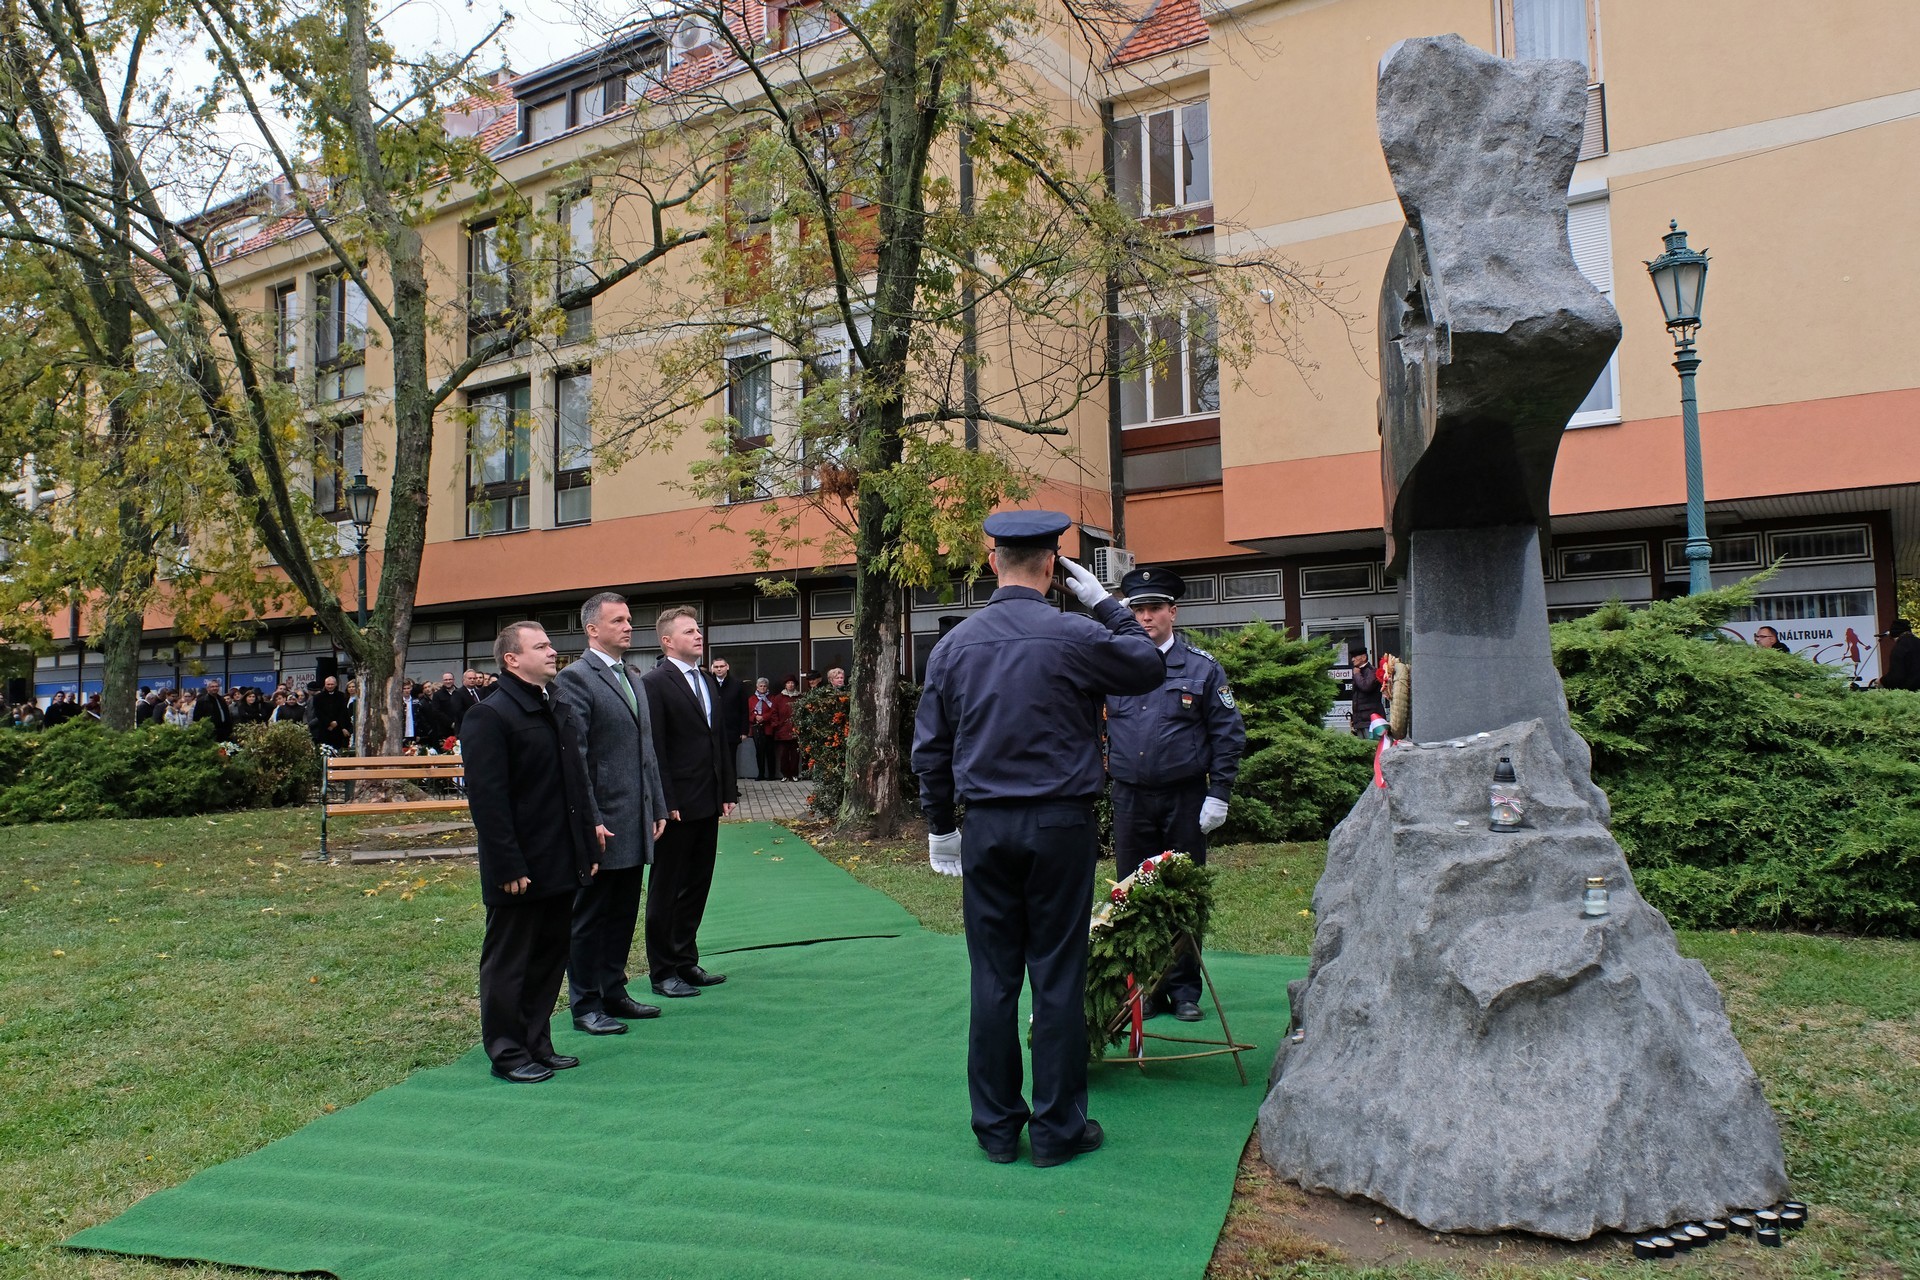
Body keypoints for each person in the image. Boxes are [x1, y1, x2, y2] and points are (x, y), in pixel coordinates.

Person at [911, 509, 1163, 1168]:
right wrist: (1105, 603)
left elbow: (930, 750)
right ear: (1054, 567)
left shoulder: (955, 646)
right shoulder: (1075, 633)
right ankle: (1056, 1130)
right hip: (1059, 824)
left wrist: (941, 828)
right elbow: (1147, 664)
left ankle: (997, 1129)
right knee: (1057, 976)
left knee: (993, 978)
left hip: (986, 825)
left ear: (992, 563)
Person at [460, 622, 602, 1083]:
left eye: (550, 644)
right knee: (510, 962)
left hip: (561, 859)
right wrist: (507, 864)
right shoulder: (490, 715)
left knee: (548, 958)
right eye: (540, 646)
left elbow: (576, 784)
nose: (552, 651)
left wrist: (586, 845)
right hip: (519, 866)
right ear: (512, 659)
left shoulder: (555, 705)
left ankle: (537, 1043)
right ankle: (507, 1052)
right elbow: (488, 800)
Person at [1103, 566, 1246, 1023]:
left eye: (1154, 609)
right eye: (1138, 610)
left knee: (1182, 896)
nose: (1146, 617)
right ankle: (1142, 988)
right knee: (1132, 896)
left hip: (1184, 799)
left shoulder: (1201, 668)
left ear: (1172, 612)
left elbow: (1228, 734)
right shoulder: (1117, 667)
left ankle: (1184, 989)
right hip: (1130, 798)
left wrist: (1219, 792)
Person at [554, 592, 670, 1035]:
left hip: (635, 816)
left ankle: (614, 991)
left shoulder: (632, 676)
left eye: (628, 619)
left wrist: (657, 805)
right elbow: (577, 757)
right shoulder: (575, 678)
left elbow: (646, 751)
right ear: (592, 629)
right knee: (590, 915)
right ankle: (585, 1004)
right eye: (617, 620)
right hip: (603, 819)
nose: (628, 626)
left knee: (622, 910)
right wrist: (591, 818)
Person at [640, 606, 739, 999]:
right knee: (667, 888)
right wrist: (665, 799)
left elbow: (718, 739)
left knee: (698, 884)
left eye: (698, 630)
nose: (698, 636)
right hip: (676, 806)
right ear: (667, 641)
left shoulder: (707, 680)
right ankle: (663, 971)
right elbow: (655, 747)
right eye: (689, 631)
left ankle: (685, 960)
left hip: (707, 800)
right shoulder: (654, 682)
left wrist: (727, 790)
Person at [709, 655, 751, 775]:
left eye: (721, 666)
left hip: (732, 730)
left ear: (727, 667)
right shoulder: (708, 683)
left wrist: (744, 731)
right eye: (716, 667)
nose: (719, 669)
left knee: (730, 761)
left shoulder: (738, 685)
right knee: (714, 762)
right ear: (712, 668)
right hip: (713, 730)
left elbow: (744, 709)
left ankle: (731, 785)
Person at [1346, 645, 1384, 736]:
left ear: (1363, 657)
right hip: (1360, 720)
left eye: (1355, 657)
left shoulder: (1372, 671)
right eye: (1352, 657)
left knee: (1371, 743)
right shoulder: (1358, 671)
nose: (1352, 660)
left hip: (1371, 720)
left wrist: (1357, 674)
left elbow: (1366, 687)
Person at [307, 675, 351, 752]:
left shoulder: (341, 696)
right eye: (328, 684)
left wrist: (336, 722)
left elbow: (343, 711)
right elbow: (318, 712)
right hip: (324, 728)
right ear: (325, 684)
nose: (330, 686)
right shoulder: (318, 697)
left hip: (338, 728)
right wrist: (329, 723)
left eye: (332, 684)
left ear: (336, 684)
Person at [771, 675, 800, 780]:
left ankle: (794, 774)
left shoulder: (800, 697)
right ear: (785, 685)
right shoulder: (778, 698)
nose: (790, 685)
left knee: (795, 754)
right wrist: (777, 724)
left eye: (792, 683)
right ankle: (785, 774)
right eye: (788, 683)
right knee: (783, 754)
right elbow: (774, 713)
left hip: (796, 730)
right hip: (782, 730)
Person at [748, 676, 777, 781]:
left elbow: (774, 711)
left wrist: (763, 717)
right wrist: (755, 717)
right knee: (759, 752)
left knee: (770, 752)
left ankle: (772, 774)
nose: (763, 688)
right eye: (760, 686)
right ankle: (761, 773)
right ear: (757, 687)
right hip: (756, 728)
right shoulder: (751, 699)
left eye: (764, 686)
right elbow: (748, 712)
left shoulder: (772, 698)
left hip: (768, 728)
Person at [1881, 618, 1920, 690]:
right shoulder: (1918, 642)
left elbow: (1896, 675)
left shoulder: (1900, 648)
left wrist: (1882, 681)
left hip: (1908, 691)